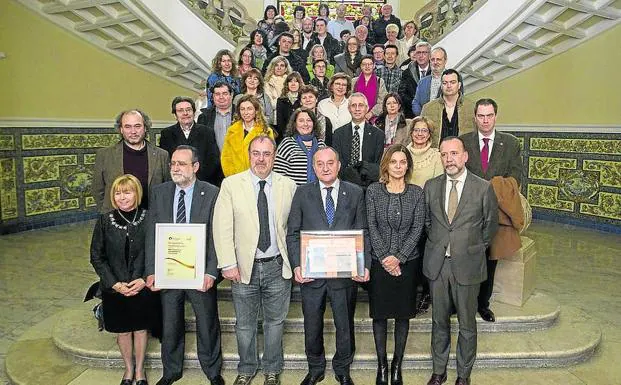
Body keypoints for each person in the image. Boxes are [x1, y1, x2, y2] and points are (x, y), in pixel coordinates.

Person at [214, 135, 297, 385]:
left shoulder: (288, 185)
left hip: (277, 266)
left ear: (274, 157)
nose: (261, 159)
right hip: (243, 267)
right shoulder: (231, 185)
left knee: (275, 322)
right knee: (245, 325)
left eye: (267, 154)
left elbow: (294, 228)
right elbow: (222, 227)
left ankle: (272, 368)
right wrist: (228, 263)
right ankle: (247, 368)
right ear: (249, 155)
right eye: (256, 153)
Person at [286, 146, 371, 385]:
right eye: (320, 164)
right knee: (312, 324)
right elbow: (293, 233)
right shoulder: (302, 193)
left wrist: (364, 264)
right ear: (313, 168)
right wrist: (296, 266)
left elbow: (363, 232)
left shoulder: (354, 193)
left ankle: (343, 368)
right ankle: (315, 368)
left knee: (345, 324)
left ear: (339, 165)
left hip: (344, 274)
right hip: (312, 275)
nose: (325, 167)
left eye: (330, 163)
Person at [145, 146, 224, 385]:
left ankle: (212, 370)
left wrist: (212, 271)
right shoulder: (159, 193)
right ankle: (171, 370)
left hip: (200, 273)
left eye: (181, 164)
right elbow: (152, 234)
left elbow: (217, 236)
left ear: (196, 167)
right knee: (170, 322)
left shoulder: (212, 193)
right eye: (173, 164)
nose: (176, 168)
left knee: (207, 321)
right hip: (169, 271)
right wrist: (151, 270)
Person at [423, 137, 498, 385]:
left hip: (467, 264)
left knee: (467, 323)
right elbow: (427, 223)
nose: (449, 159)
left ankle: (463, 375)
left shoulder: (483, 188)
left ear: (465, 156)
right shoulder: (431, 186)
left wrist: (470, 248)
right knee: (438, 321)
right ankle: (439, 371)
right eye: (444, 155)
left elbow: (490, 227)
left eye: (454, 153)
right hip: (438, 265)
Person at [90, 174, 160, 385]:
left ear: (136, 193)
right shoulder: (104, 221)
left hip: (142, 286)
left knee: (140, 329)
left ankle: (140, 371)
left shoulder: (149, 218)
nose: (122, 197)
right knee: (122, 331)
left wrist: (143, 279)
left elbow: (157, 252)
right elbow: (96, 256)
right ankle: (128, 371)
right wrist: (115, 284)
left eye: (127, 192)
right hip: (115, 288)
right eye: (118, 193)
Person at [460, 98, 523, 324]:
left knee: (489, 259)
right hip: (467, 212)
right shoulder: (463, 141)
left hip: (495, 212)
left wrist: (494, 189)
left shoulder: (511, 143)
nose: (485, 120)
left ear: (496, 116)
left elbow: (516, 178)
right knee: (465, 258)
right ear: (475, 117)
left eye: (489, 116)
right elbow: (456, 172)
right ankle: (462, 302)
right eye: (481, 116)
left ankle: (482, 304)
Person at [366, 145, 425, 385]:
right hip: (380, 264)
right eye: (394, 162)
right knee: (379, 316)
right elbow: (371, 225)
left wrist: (399, 257)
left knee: (403, 316)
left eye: (403, 162)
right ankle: (382, 365)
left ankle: (396, 365)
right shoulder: (373, 191)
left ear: (408, 166)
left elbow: (417, 228)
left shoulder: (417, 193)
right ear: (386, 165)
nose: (398, 166)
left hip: (408, 263)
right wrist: (385, 258)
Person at [92, 109, 169, 213]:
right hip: (116, 217)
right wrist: (107, 214)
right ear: (121, 129)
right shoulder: (104, 155)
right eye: (128, 127)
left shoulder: (162, 155)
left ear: (145, 128)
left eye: (137, 126)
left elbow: (167, 188)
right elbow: (98, 190)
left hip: (151, 217)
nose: (133, 131)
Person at [405, 116, 443, 315]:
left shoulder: (437, 156)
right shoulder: (402, 153)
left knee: (427, 257)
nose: (420, 134)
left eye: (424, 130)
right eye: (416, 130)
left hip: (429, 214)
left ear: (430, 134)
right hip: (404, 214)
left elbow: (438, 187)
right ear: (411, 132)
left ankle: (427, 294)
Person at [160, 96, 221, 186]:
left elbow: (213, 161)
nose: (185, 113)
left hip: (203, 184)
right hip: (176, 184)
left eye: (188, 110)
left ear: (194, 112)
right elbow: (165, 163)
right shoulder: (167, 134)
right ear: (175, 115)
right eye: (180, 110)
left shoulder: (207, 132)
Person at [332, 92, 385, 188]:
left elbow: (377, 165)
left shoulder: (378, 135)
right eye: (353, 105)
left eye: (361, 105)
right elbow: (338, 163)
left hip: (369, 185)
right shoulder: (338, 134)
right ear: (349, 109)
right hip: (345, 184)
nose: (357, 109)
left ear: (367, 108)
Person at [221, 95, 274, 177]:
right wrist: (231, 177)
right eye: (242, 109)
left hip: (258, 178)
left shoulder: (266, 131)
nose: (246, 113)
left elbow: (270, 157)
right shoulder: (231, 131)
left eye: (249, 109)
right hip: (235, 179)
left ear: (256, 111)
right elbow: (226, 157)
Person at [421, 69, 475, 148]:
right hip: (436, 155)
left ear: (459, 85)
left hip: (463, 155)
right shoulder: (428, 108)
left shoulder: (472, 107)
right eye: (445, 83)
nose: (448, 86)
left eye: (452, 82)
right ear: (441, 86)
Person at [274, 108, 326, 184]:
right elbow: (277, 174)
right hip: (293, 193)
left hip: (317, 193)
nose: (305, 124)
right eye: (301, 121)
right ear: (295, 124)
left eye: (309, 120)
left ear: (313, 123)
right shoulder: (288, 143)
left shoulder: (321, 144)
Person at [399, 42, 432, 118]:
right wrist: (415, 104)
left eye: (424, 53)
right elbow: (402, 93)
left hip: (432, 112)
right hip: (412, 114)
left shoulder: (436, 72)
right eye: (418, 53)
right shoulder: (407, 73)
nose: (421, 56)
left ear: (430, 55)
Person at [413, 47, 448, 116]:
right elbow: (416, 102)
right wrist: (422, 117)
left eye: (438, 59)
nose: (435, 62)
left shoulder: (453, 79)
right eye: (432, 59)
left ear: (445, 61)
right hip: (425, 123)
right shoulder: (422, 82)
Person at [352, 55, 387, 121]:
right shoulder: (354, 81)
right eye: (364, 64)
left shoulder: (379, 81)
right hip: (355, 117)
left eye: (370, 64)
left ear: (374, 66)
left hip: (374, 119)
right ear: (361, 66)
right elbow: (350, 100)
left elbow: (382, 102)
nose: (367, 66)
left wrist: (370, 114)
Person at [275, 72, 303, 142]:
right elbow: (280, 123)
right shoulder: (281, 100)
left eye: (296, 81)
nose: (293, 84)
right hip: (285, 136)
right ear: (287, 84)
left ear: (300, 84)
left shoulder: (303, 99)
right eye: (290, 81)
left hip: (302, 135)